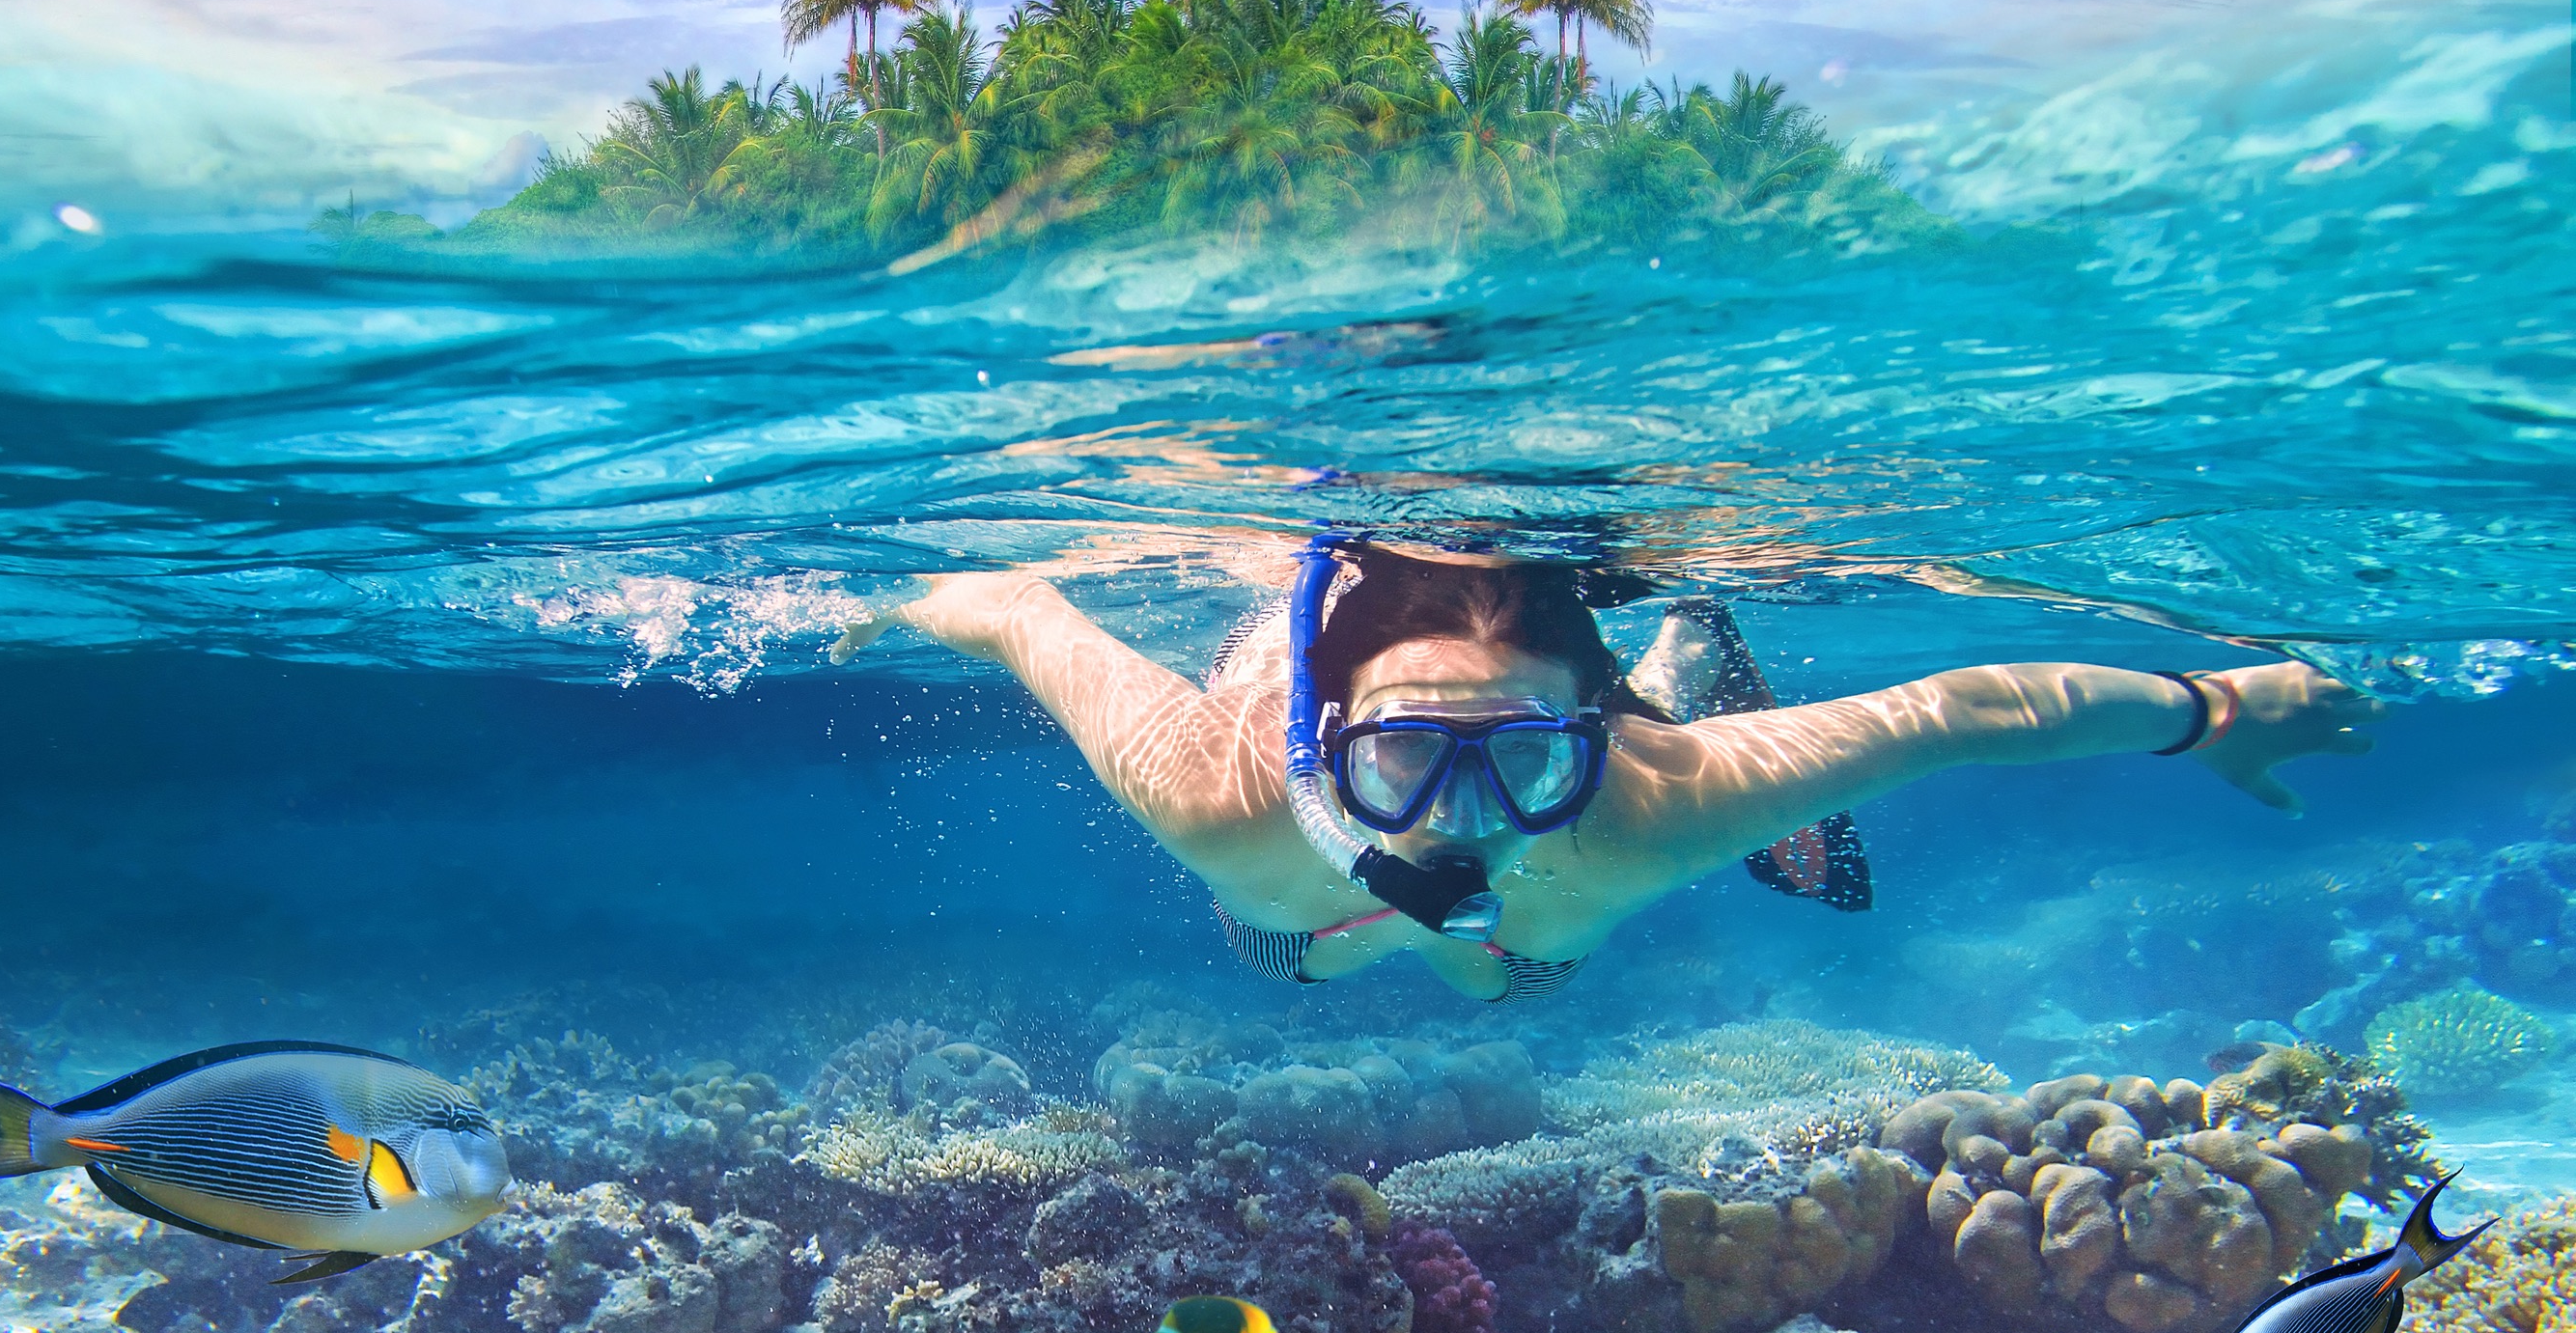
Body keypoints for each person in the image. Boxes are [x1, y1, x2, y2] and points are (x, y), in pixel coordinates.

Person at [832, 541, 2384, 1002]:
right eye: (1402, 754)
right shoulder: (1215, 792)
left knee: (1514, 968)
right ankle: (1658, 679)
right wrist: (869, 607)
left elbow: (1964, 706)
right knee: (1288, 950)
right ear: (1321, 745)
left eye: (1519, 757)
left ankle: (1672, 666)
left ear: (1592, 743)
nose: (1456, 816)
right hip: (1300, 920)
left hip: (1578, 848)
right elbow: (1020, 605)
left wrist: (2214, 708)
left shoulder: (1658, 796)